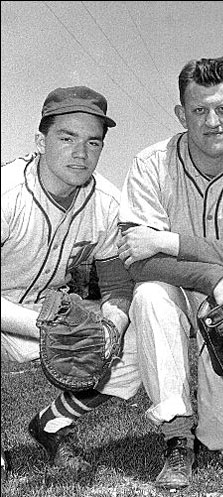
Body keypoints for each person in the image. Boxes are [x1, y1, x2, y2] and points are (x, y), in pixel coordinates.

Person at [117, 57, 223, 490]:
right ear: (181, 113)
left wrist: (169, 242)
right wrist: (213, 275)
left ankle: (213, 424)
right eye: (199, 110)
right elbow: (138, 261)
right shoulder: (152, 162)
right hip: (180, 290)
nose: (213, 122)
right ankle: (176, 436)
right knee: (150, 295)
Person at [1, 86, 141, 473]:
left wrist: (111, 325)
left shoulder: (107, 203)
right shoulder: (6, 193)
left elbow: (117, 286)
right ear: (40, 141)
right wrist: (48, 329)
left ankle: (52, 425)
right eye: (66, 138)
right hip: (20, 319)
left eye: (92, 142)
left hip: (46, 318)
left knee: (135, 344)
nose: (81, 153)